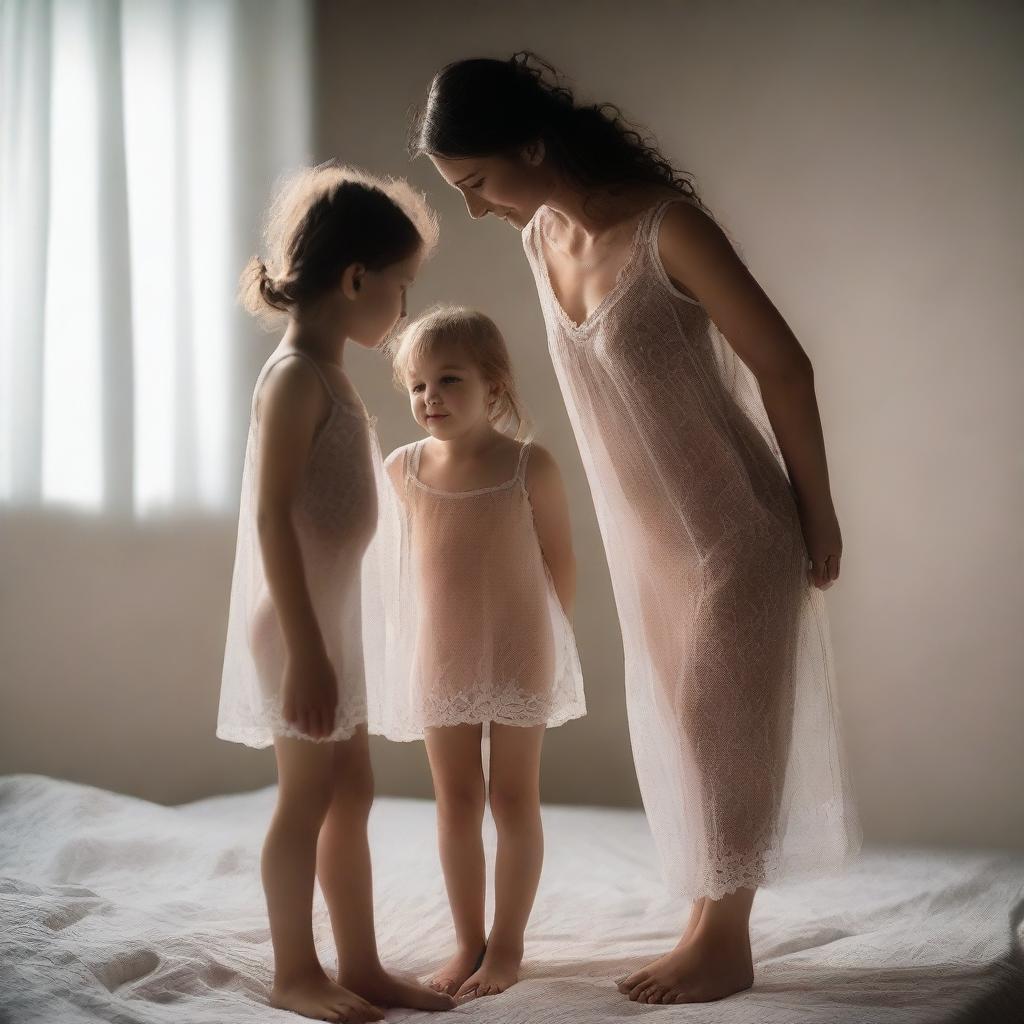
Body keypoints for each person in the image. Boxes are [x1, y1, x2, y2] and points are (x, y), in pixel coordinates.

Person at [411, 52, 861, 1005]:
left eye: (479, 182)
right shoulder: (539, 238)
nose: (476, 209)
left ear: (533, 145)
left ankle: (726, 940)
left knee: (719, 726)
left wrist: (816, 511)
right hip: (650, 548)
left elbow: (785, 365)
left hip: (734, 525)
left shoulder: (669, 231)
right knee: (686, 731)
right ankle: (706, 918)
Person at [218, 163, 454, 1021]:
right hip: (299, 631)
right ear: (355, 278)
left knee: (351, 793)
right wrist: (310, 656)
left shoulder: (328, 373)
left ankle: (360, 961)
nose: (402, 309)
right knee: (307, 798)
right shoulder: (292, 380)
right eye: (401, 288)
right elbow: (274, 520)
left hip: (332, 623)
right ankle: (293, 970)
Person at [366, 305, 585, 999]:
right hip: (441, 657)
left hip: (521, 652)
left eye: (449, 380)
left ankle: (510, 947)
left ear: (493, 385)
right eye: (418, 386)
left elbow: (561, 568)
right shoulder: (402, 470)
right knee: (457, 799)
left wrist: (541, 645)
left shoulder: (530, 464)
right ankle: (469, 943)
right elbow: (387, 570)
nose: (430, 398)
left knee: (514, 797)